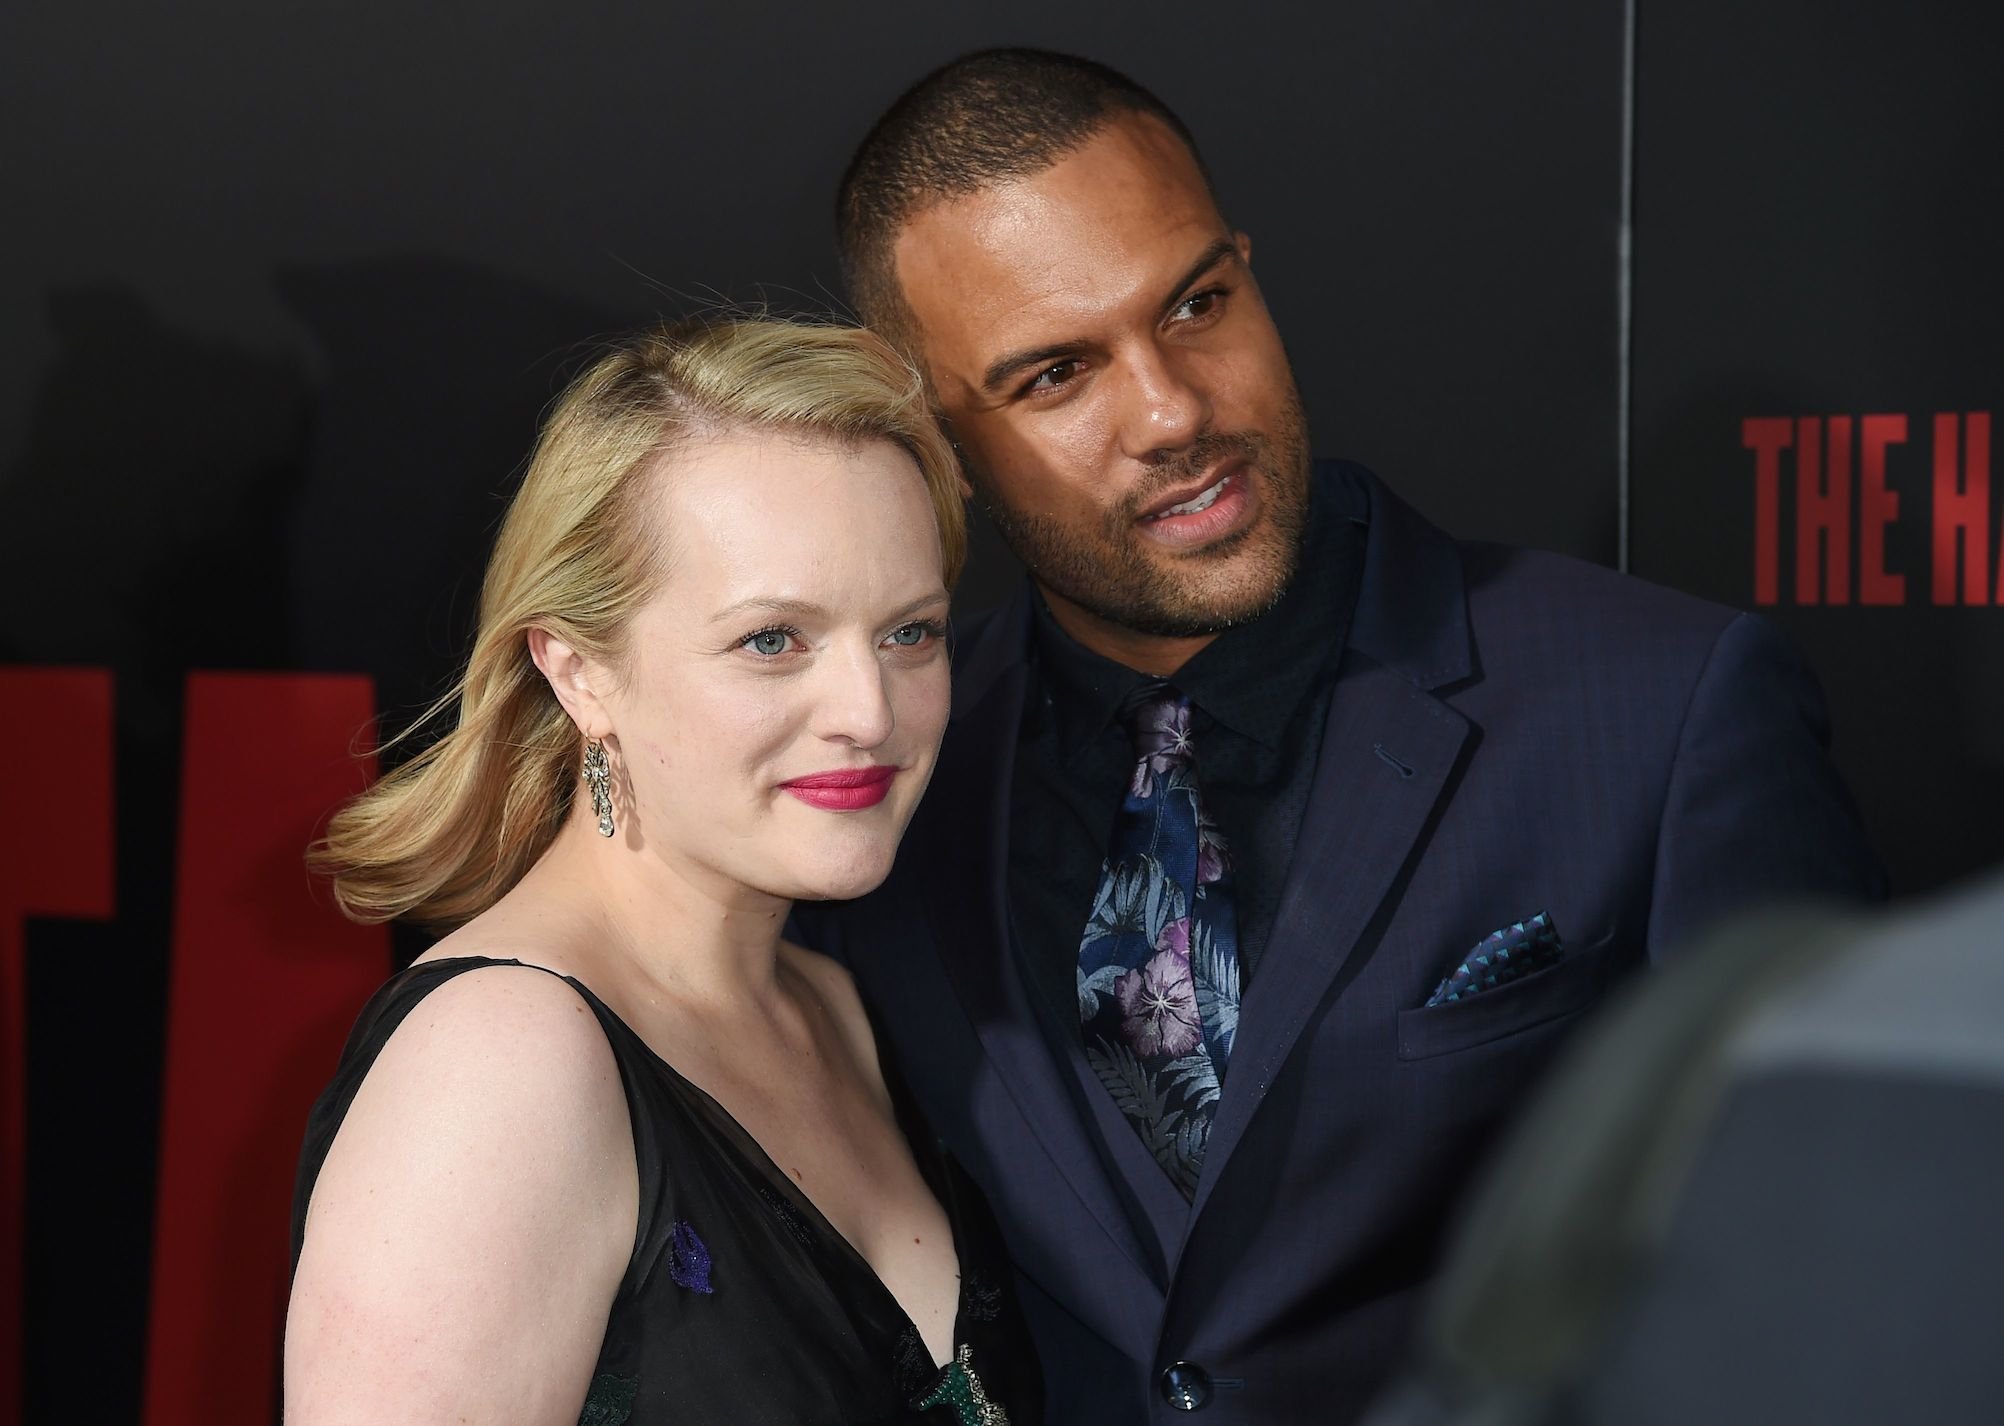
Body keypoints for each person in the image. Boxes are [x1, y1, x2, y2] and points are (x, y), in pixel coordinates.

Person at [787, 48, 1886, 1424]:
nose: (1175, 410)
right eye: (1058, 373)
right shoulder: (882, 780)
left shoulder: (1666, 707)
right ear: (933, 430)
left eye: (1198, 302)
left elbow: (1840, 1282)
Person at [285, 318, 1042, 1425]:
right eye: (772, 639)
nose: (869, 713)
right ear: (579, 669)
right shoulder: (501, 1063)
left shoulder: (830, 1007)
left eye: (910, 633)